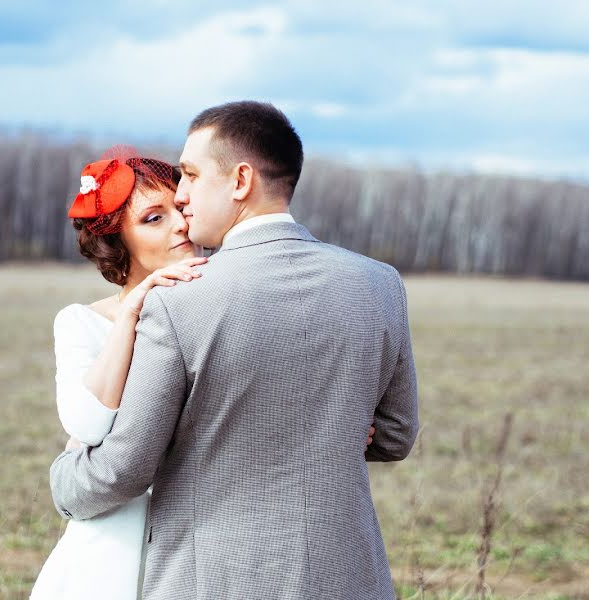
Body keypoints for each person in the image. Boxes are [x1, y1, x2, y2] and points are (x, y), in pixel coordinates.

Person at [55, 99, 415, 599]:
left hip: (221, 581)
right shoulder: (381, 284)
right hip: (350, 580)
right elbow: (395, 435)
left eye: (189, 175)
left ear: (241, 182)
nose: (182, 196)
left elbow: (124, 468)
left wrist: (63, 479)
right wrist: (326, 428)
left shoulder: (180, 302)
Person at [29, 148, 209, 598]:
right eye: (154, 218)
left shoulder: (224, 308)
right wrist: (131, 314)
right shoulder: (82, 322)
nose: (181, 224)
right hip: (113, 546)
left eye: (180, 208)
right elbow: (87, 424)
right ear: (117, 242)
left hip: (202, 538)